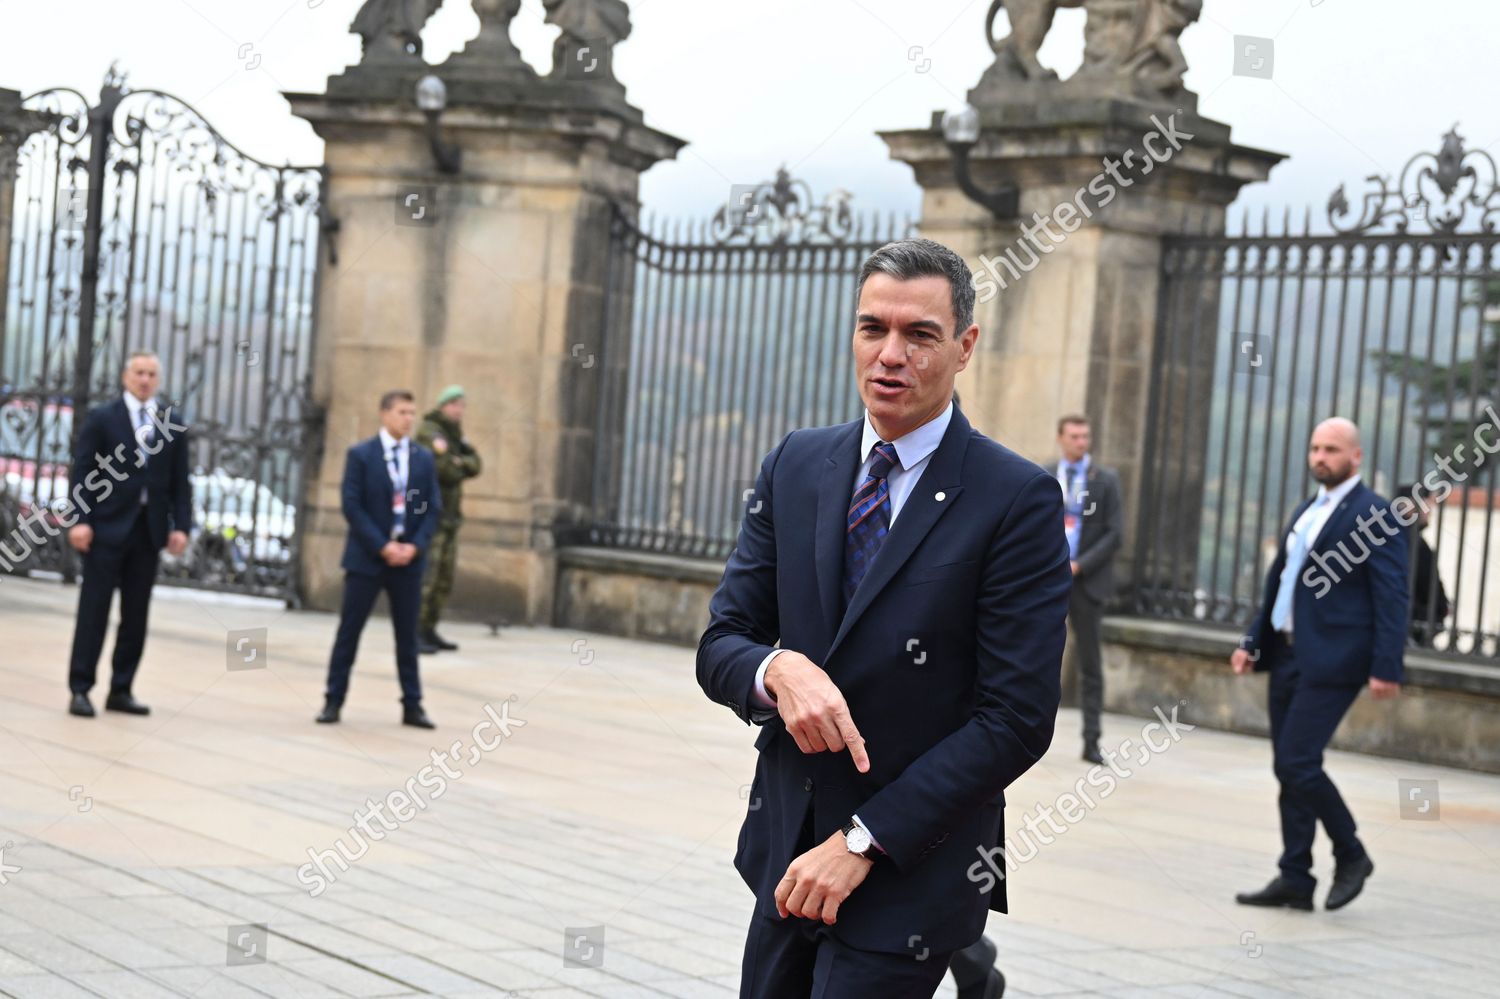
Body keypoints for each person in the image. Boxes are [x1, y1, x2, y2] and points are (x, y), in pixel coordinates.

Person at [698, 238, 1071, 998]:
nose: (890, 354)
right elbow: (722, 641)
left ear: (964, 346)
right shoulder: (797, 463)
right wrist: (777, 669)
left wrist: (863, 841)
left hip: (913, 868)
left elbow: (1016, 718)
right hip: (788, 855)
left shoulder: (1015, 499)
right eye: (873, 328)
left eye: (919, 335)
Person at [1231, 417, 1407, 911]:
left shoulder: (1376, 514)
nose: (1319, 457)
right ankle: (1295, 876)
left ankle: (1352, 854)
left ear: (1356, 457)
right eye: (1314, 448)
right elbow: (1281, 580)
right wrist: (1253, 640)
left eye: (1331, 449)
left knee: (1298, 761)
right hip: (1287, 653)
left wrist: (1387, 665)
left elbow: (1392, 594)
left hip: (1336, 658)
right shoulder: (1308, 510)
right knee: (1288, 766)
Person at [65, 351, 192, 718]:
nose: (145, 379)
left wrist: (181, 525)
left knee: (135, 615)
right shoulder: (103, 419)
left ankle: (121, 688)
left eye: (152, 373)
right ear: (125, 376)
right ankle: (81, 687)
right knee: (94, 612)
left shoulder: (172, 422)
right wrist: (80, 519)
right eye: (139, 372)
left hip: (147, 533)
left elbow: (180, 481)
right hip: (104, 529)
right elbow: (83, 473)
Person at [317, 390, 441, 729]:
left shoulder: (422, 459)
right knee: (349, 631)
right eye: (402, 412)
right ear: (384, 414)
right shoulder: (361, 455)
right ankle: (333, 699)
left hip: (408, 560)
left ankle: (412, 704)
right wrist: (381, 545)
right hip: (368, 559)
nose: (408, 419)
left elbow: (430, 508)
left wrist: (414, 546)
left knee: (407, 636)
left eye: (412, 412)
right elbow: (352, 505)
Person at [1055, 414, 1123, 765]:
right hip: (1049, 578)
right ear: (1061, 438)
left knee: (1090, 663)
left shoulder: (1105, 480)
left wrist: (1080, 564)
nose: (1082, 442)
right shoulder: (1047, 474)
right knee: (1035, 653)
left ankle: (1092, 739)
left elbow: (1115, 534)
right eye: (1075, 436)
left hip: (1086, 581)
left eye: (1086, 436)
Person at [416, 385, 482, 654]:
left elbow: (476, 463)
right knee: (428, 579)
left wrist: (460, 462)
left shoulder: (456, 436)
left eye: (462, 405)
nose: (459, 410)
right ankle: (414, 632)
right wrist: (459, 463)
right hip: (433, 516)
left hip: (451, 518)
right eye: (455, 405)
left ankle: (429, 628)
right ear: (443, 405)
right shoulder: (431, 432)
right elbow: (444, 469)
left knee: (444, 579)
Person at [1397, 482, 1448, 647]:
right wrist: (1440, 609)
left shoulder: (1387, 539)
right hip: (1412, 630)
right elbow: (1432, 593)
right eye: (1427, 504)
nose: (1430, 512)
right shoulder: (1417, 545)